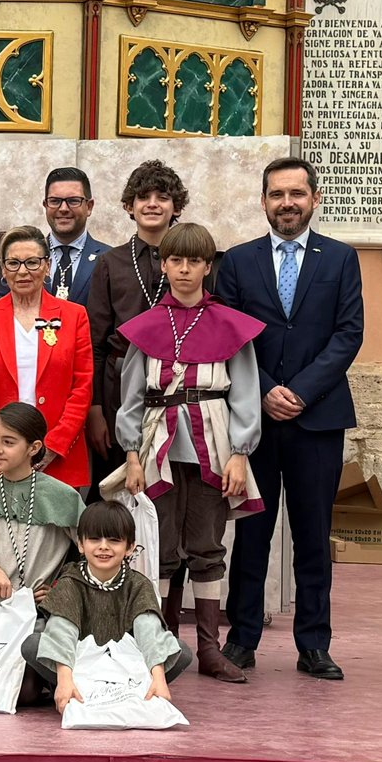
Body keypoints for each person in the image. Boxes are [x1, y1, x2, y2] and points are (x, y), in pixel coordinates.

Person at [212, 157, 363, 681]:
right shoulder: (236, 261)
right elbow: (230, 336)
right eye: (277, 194)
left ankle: (314, 645)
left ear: (314, 199)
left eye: (297, 193)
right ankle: (242, 638)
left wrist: (297, 391)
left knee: (313, 536)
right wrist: (266, 390)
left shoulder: (341, 259)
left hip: (317, 420)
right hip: (255, 420)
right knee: (252, 533)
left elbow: (348, 334)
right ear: (264, 201)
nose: (287, 203)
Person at [115, 223, 264, 683]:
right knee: (158, 550)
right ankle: (157, 647)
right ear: (164, 265)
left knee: (206, 546)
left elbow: (246, 394)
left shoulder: (228, 325)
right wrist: (132, 454)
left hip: (213, 447)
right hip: (158, 446)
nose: (183, 269)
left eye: (193, 261)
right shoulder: (147, 327)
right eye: (175, 260)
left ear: (207, 266)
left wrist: (240, 453)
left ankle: (208, 649)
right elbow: (132, 397)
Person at [0, 227, 94, 492]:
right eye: (13, 263)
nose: (23, 271)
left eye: (32, 262)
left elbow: (82, 388)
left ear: (47, 266)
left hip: (56, 459)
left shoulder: (74, 315)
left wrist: (54, 445)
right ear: (3, 269)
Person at [29, 500, 193, 710]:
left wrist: (158, 677)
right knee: (34, 642)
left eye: (114, 540)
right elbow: (62, 631)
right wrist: (64, 677)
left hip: (125, 667)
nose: (103, 546)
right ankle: (69, 688)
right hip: (79, 665)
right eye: (94, 539)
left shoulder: (138, 584)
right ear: (80, 544)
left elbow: (149, 630)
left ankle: (139, 688)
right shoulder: (70, 581)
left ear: (130, 547)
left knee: (181, 651)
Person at [85, 160, 187, 488]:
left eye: (162, 197)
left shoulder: (192, 260)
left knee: (173, 484)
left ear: (176, 207)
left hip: (179, 388)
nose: (153, 204)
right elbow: (96, 343)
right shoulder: (110, 263)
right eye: (143, 197)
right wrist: (96, 410)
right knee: (123, 487)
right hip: (119, 388)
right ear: (130, 206)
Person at [0, 403, 84, 600]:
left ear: (33, 448)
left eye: (8, 442)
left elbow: (95, 553)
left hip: (41, 615)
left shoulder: (63, 497)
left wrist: (62, 589)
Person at [0, 167, 109, 305]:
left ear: (89, 206)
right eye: (55, 201)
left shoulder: (109, 260)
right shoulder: (20, 260)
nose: (63, 209)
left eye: (73, 201)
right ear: (45, 205)